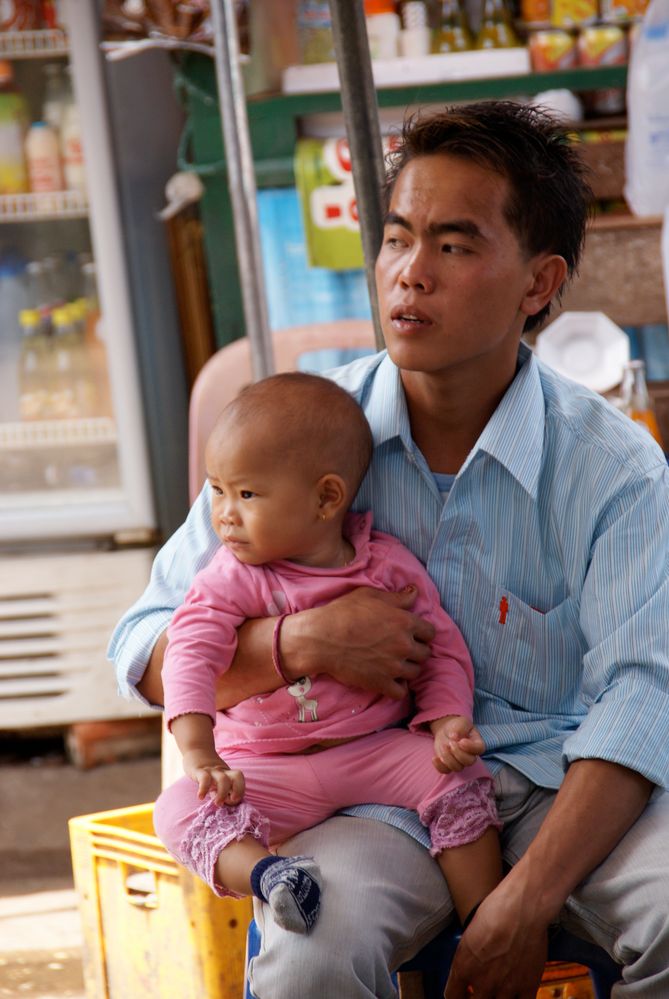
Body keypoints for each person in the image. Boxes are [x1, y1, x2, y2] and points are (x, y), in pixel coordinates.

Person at [110, 100, 669, 998]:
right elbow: (141, 646)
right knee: (310, 951)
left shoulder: (615, 470)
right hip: (367, 800)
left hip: (566, 798)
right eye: (399, 238)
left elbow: (644, 702)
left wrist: (520, 904)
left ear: (538, 282)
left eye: (454, 245)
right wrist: (301, 645)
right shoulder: (303, 435)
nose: (410, 274)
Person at [153, 371, 501, 936]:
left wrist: (448, 722)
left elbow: (438, 648)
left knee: (459, 781)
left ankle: (485, 927)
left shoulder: (386, 568)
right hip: (266, 765)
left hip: (373, 749)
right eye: (216, 490)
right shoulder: (231, 576)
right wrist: (199, 751)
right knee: (178, 810)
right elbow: (189, 652)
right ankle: (273, 876)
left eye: (246, 494)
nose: (224, 514)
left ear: (326, 498)